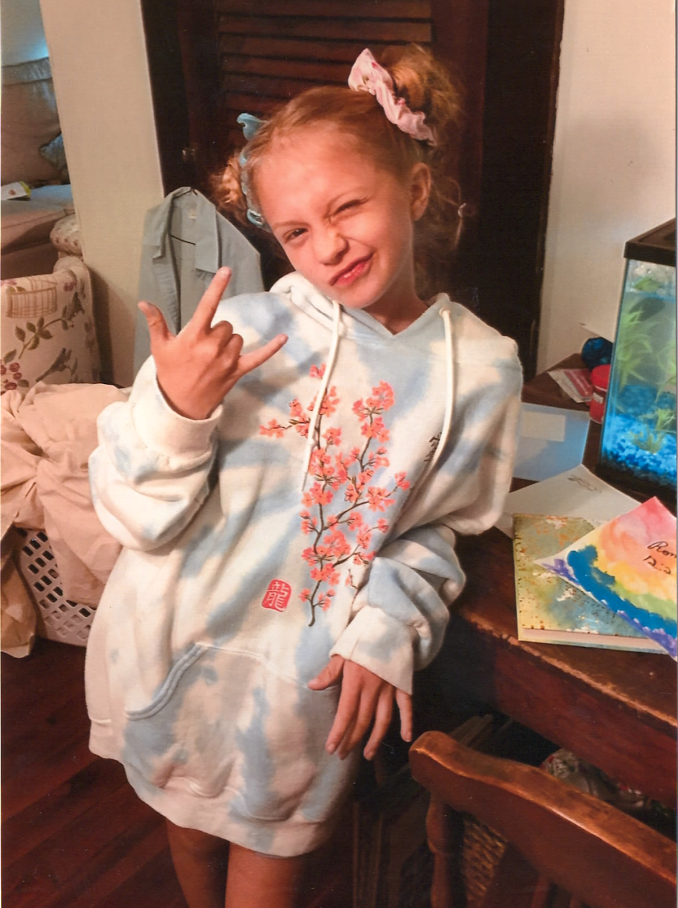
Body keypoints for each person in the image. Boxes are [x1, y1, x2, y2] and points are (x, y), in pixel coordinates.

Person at [85, 44, 523, 908]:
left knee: (268, 863)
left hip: (298, 691)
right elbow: (134, 515)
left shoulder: (478, 370)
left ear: (416, 190)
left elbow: (437, 528)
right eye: (294, 232)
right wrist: (174, 408)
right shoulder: (241, 335)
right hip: (168, 656)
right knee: (189, 834)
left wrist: (387, 624)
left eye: (347, 206)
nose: (328, 247)